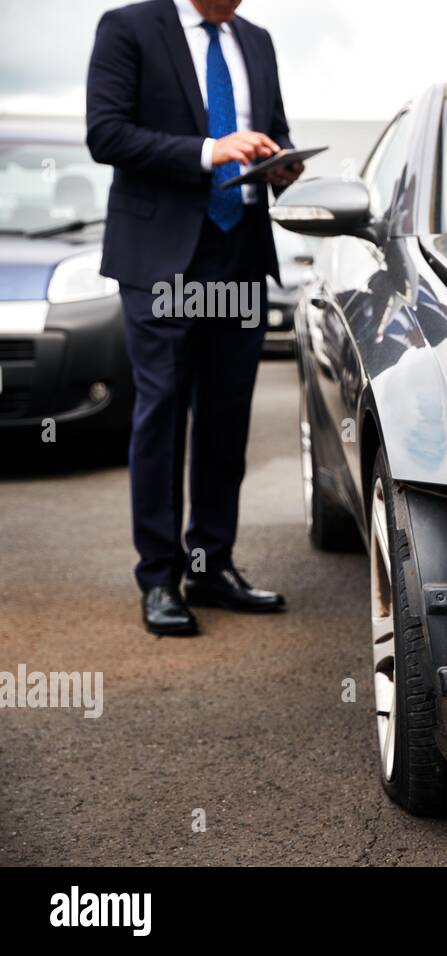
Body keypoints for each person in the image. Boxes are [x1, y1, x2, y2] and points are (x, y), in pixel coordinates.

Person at [87, 0, 302, 636]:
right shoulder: (128, 28)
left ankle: (210, 566)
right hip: (160, 257)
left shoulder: (256, 40)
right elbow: (107, 135)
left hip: (240, 251)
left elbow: (276, 130)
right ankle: (159, 578)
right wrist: (210, 150)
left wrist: (283, 162)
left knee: (226, 414)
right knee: (162, 408)